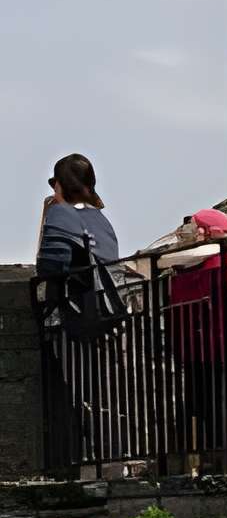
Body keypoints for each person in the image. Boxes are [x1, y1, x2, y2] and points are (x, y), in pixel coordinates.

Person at [35, 155, 123, 468]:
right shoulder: (101, 218)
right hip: (104, 311)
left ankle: (91, 462)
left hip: (73, 314)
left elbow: (48, 267)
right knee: (104, 394)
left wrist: (47, 217)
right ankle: (111, 460)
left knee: (80, 391)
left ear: (59, 184)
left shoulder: (61, 214)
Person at [160, 208, 227, 472]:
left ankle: (194, 461)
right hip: (219, 345)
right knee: (219, 406)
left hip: (188, 348)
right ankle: (219, 462)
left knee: (195, 407)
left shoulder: (179, 273)